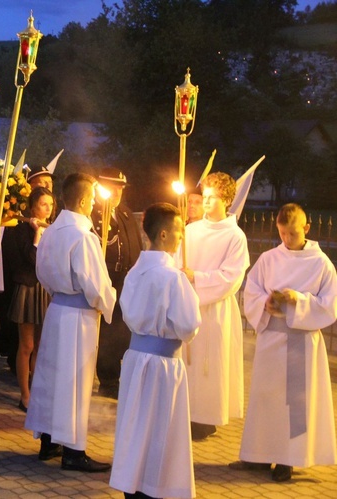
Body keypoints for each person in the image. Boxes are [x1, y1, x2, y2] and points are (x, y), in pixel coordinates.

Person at [232, 203, 337, 482]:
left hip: (301, 342)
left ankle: (288, 459)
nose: (286, 240)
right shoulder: (268, 258)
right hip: (271, 339)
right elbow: (251, 289)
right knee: (266, 400)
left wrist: (298, 300)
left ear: (306, 228)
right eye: (281, 233)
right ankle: (259, 455)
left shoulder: (321, 263)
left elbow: (330, 306)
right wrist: (264, 302)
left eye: (291, 233)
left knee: (294, 404)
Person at [24, 172, 116, 472]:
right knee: (74, 380)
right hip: (78, 317)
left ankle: (50, 440)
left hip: (57, 311)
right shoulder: (83, 237)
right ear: (84, 200)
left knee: (53, 378)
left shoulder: (50, 232)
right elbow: (96, 284)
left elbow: (41, 272)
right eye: (91, 199)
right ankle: (74, 450)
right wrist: (108, 302)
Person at [109, 203, 201, 499]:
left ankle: (133, 483)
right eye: (179, 232)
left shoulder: (136, 271)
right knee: (161, 430)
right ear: (163, 234)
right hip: (163, 365)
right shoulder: (173, 277)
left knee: (136, 425)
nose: (181, 238)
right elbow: (189, 325)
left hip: (136, 359)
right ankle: (155, 486)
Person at [181, 171, 250, 441]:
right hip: (188, 305)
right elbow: (177, 259)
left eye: (212, 197)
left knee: (210, 365)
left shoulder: (235, 237)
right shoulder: (190, 231)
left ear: (227, 200)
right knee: (189, 362)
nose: (206, 201)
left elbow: (231, 278)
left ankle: (206, 417)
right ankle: (186, 413)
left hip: (217, 310)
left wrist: (196, 278)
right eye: (205, 196)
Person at [91, 167, 144, 399]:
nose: (117, 193)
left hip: (125, 282)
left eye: (120, 188)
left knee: (122, 331)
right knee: (106, 333)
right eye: (113, 188)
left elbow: (136, 246)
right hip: (105, 279)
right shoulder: (92, 215)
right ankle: (108, 380)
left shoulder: (124, 214)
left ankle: (120, 376)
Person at [6, 187, 54, 412]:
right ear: (33, 206)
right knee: (26, 345)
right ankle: (24, 395)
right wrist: (37, 233)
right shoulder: (22, 228)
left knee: (41, 346)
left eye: (51, 205)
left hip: (44, 289)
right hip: (27, 288)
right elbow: (31, 257)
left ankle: (36, 391)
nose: (48, 208)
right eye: (44, 204)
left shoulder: (52, 229)